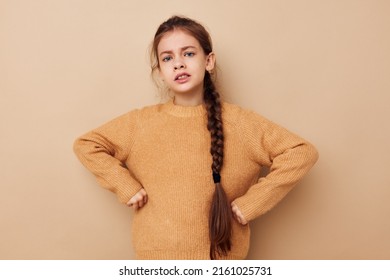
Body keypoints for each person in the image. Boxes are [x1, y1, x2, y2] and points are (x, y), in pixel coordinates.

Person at [73, 15, 319, 260]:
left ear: (209, 61)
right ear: (160, 71)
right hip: (155, 261)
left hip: (222, 260)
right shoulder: (140, 123)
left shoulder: (241, 123)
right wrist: (125, 186)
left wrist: (251, 204)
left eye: (188, 54)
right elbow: (87, 145)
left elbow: (301, 152)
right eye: (167, 58)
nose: (178, 64)